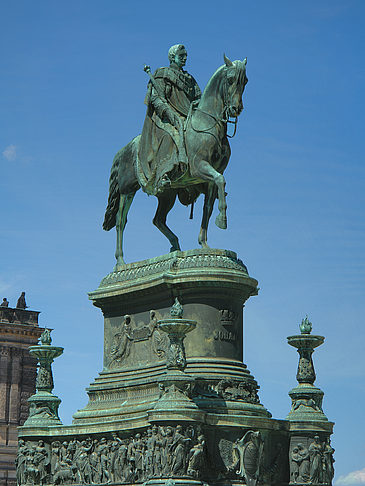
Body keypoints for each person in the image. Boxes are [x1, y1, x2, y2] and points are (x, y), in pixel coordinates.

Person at [138, 44, 201, 195]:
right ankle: (163, 173)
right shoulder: (162, 74)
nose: (185, 58)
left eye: (186, 55)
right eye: (182, 56)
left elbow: (199, 98)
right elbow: (155, 98)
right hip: (165, 117)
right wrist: (167, 111)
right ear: (173, 57)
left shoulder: (190, 79)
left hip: (188, 116)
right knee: (170, 136)